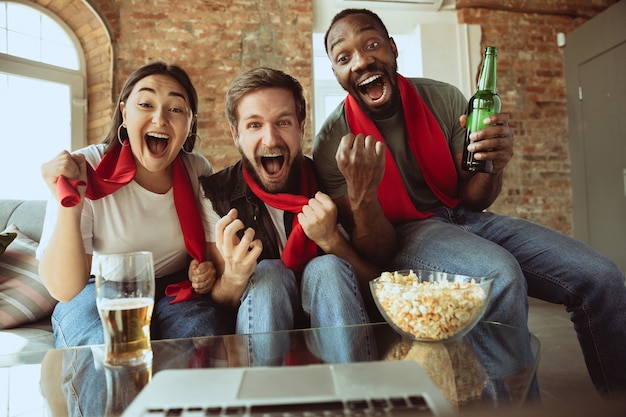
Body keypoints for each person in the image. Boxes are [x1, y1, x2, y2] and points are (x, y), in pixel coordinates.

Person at [313, 8, 626, 399]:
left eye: (371, 44)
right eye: (344, 57)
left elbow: (473, 199)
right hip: (406, 235)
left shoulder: (442, 97)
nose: (361, 61)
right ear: (337, 74)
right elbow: (378, 250)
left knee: (602, 277)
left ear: (393, 50)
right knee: (497, 276)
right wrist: (361, 194)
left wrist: (494, 165)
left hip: (462, 217)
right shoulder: (330, 143)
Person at [37, 61, 234, 349]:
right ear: (124, 113)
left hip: (172, 288)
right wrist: (70, 205)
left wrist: (203, 272)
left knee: (203, 340)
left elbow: (210, 255)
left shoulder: (197, 169)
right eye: (145, 104)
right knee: (108, 351)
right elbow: (64, 290)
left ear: (190, 123)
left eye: (176, 109)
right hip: (97, 289)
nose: (160, 118)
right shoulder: (86, 166)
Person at [192, 67, 377, 365]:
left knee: (327, 267)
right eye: (254, 125)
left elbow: (375, 288)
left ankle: (356, 396)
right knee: (269, 273)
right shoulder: (216, 195)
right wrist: (235, 275)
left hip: (331, 317)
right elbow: (220, 303)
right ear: (235, 134)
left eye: (283, 122)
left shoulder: (330, 180)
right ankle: (260, 402)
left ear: (301, 129)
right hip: (261, 318)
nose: (271, 138)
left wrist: (332, 241)